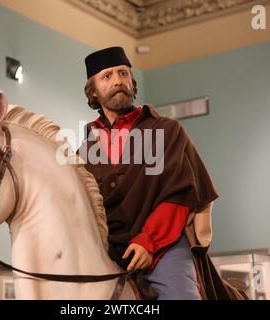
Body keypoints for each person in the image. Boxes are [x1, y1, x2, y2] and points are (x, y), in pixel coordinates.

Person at [77, 46, 246, 300]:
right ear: (93, 91)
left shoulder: (167, 130)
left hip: (162, 247)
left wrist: (149, 241)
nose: (118, 81)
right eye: (107, 76)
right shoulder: (85, 150)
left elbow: (180, 194)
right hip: (109, 248)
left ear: (133, 82)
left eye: (123, 74)